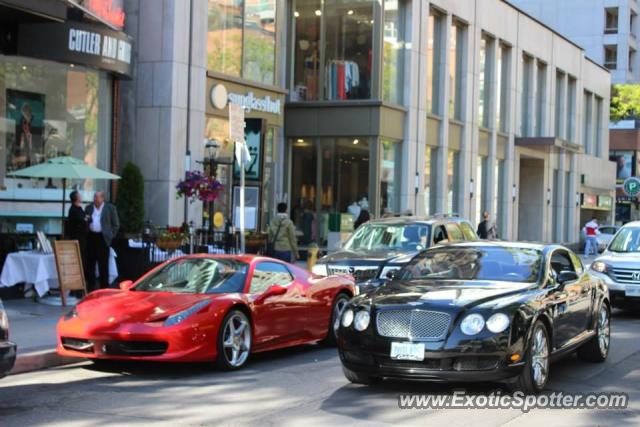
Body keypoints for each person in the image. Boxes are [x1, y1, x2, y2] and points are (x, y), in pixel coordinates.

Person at [85, 191, 120, 290]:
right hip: (91, 237)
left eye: (98, 197)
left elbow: (116, 224)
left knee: (103, 264)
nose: (95, 199)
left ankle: (104, 287)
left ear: (103, 198)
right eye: (94, 197)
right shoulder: (89, 208)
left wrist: (110, 235)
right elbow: (86, 221)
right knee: (90, 263)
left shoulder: (110, 208)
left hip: (103, 238)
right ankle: (90, 287)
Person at [66, 191, 88, 264]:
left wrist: (86, 218)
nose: (81, 197)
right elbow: (82, 220)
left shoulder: (79, 209)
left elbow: (87, 218)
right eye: (80, 196)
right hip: (77, 239)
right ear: (76, 198)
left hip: (83, 238)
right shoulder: (73, 210)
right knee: (79, 258)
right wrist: (85, 219)